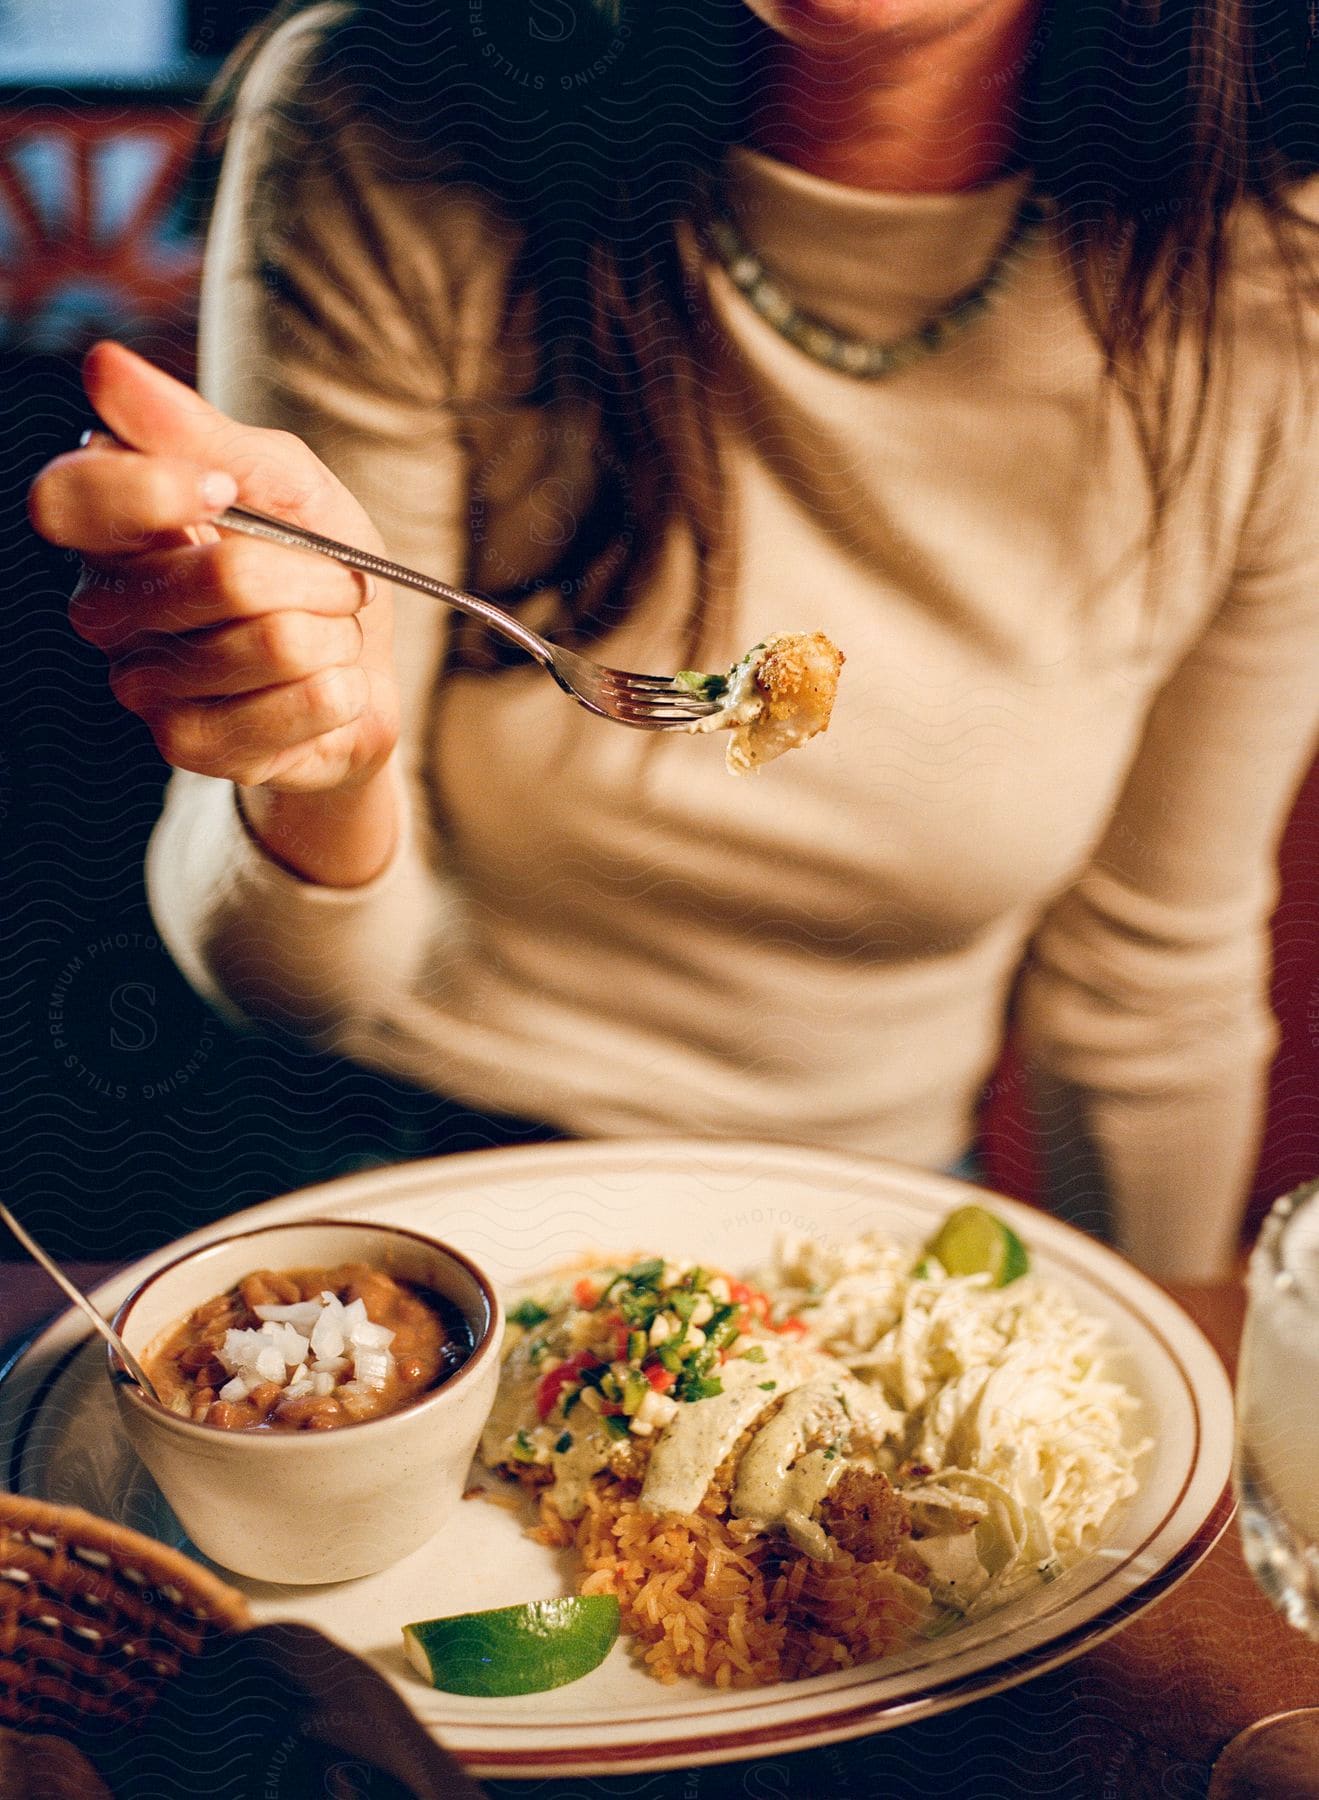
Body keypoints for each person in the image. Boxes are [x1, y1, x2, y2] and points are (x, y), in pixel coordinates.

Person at [27, 0, 1319, 1279]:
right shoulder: (393, 115)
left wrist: (1182, 1388)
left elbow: (1149, 991)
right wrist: (324, 760)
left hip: (868, 1234)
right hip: (386, 1173)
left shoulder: (1279, 292)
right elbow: (293, 980)